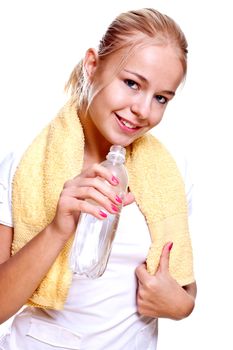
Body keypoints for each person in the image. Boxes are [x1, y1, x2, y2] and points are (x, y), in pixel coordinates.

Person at [0, 7, 196, 350]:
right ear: (92, 65)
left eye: (161, 98)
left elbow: (181, 278)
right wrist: (59, 227)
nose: (144, 110)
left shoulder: (168, 173)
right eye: (132, 83)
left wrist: (183, 306)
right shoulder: (24, 164)